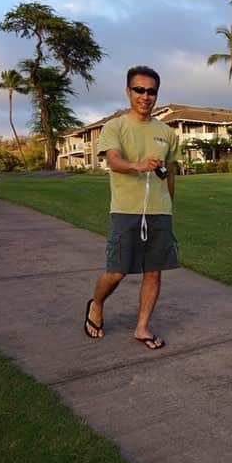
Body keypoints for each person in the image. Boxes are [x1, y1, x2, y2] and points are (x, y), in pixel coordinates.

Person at [83, 65, 182, 350]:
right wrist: (137, 165)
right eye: (139, 90)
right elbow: (113, 160)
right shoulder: (115, 127)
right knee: (116, 271)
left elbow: (170, 172)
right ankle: (97, 304)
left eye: (151, 91)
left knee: (154, 272)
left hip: (159, 213)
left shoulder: (166, 132)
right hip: (126, 211)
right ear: (128, 91)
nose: (145, 96)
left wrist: (168, 207)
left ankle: (141, 328)